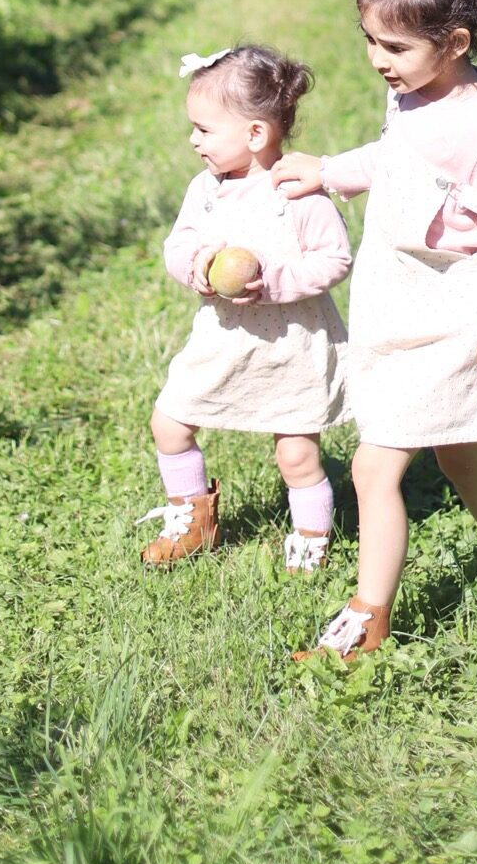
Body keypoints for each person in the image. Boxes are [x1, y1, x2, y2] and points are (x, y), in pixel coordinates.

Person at [277, 0, 477, 659]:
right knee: (462, 454)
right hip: (411, 294)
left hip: (459, 312)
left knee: (376, 464)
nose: (378, 62)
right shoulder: (417, 89)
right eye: (370, 41)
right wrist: (329, 170)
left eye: (395, 48)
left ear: (457, 43)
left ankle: (368, 620)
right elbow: (402, 160)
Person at [141, 43, 352, 574]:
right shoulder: (205, 191)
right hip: (223, 336)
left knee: (296, 455)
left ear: (255, 134)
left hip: (291, 344)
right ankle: (192, 518)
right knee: (169, 423)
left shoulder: (297, 192)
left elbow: (335, 258)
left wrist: (274, 280)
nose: (193, 140)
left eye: (205, 129)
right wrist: (198, 264)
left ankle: (310, 539)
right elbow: (177, 246)